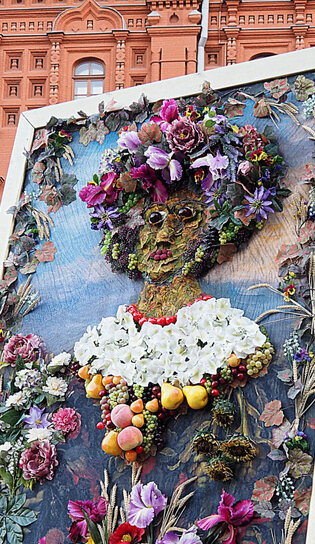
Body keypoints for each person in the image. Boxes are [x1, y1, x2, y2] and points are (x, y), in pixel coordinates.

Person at [75, 95, 287, 467]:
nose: (163, 236)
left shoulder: (232, 340)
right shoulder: (102, 346)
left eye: (186, 216)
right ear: (128, 238)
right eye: (153, 219)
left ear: (216, 234)